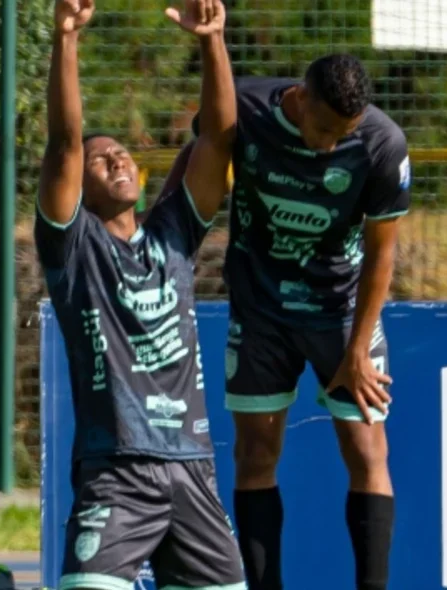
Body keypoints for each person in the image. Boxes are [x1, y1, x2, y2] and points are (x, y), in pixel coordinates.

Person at [172, 55, 412, 590]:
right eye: (324, 129)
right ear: (301, 100)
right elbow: (205, 146)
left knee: (368, 449)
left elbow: (382, 256)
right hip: (261, 309)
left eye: (342, 134)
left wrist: (356, 350)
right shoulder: (248, 106)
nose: (329, 145)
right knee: (256, 454)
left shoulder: (382, 143)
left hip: (343, 312)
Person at [34, 0, 245, 588]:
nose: (116, 157)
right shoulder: (73, 250)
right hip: (118, 471)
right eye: (102, 160)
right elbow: (65, 144)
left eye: (120, 152)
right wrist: (67, 38)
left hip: (192, 469)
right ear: (83, 186)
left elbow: (220, 142)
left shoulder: (173, 235)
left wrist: (212, 41)